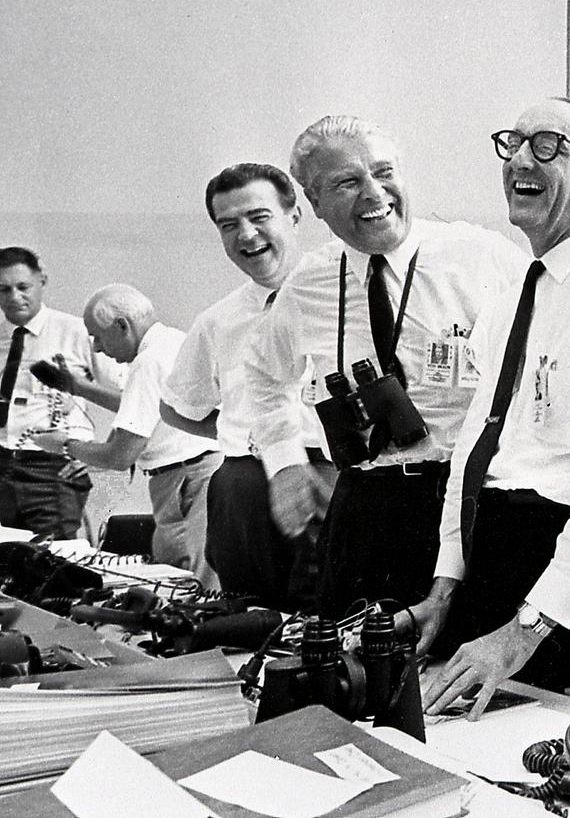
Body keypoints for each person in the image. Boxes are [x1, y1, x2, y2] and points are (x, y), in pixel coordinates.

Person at [403, 97, 570, 718]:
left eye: (548, 145)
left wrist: (523, 631)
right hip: (493, 569)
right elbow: (474, 454)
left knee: (555, 762)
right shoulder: (505, 304)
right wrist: (445, 588)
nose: (521, 159)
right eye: (515, 142)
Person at [243, 115, 526, 620]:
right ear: (314, 201)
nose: (374, 193)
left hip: (470, 502)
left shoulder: (481, 257)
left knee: (463, 657)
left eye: (383, 172)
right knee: (353, 652)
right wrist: (284, 462)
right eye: (347, 182)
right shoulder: (309, 284)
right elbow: (264, 377)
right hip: (366, 510)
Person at [160, 163, 329, 609]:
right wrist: (238, 433)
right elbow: (176, 407)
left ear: (294, 216)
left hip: (329, 478)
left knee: (332, 620)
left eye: (259, 217)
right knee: (248, 618)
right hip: (245, 489)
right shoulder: (218, 321)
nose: (247, 235)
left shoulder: (341, 296)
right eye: (229, 225)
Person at [35, 284, 221, 584]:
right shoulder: (173, 342)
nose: (97, 348)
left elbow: (121, 455)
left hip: (186, 484)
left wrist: (66, 445)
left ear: (122, 326)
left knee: (191, 586)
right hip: (201, 476)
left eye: (97, 336)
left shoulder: (147, 362)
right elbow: (145, 406)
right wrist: (77, 387)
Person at [0, 247, 121, 538]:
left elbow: (129, 399)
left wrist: (97, 455)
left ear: (42, 280)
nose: (14, 297)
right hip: (2, 463)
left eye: (23, 287)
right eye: (4, 289)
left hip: (51, 467)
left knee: (54, 556)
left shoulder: (78, 332)